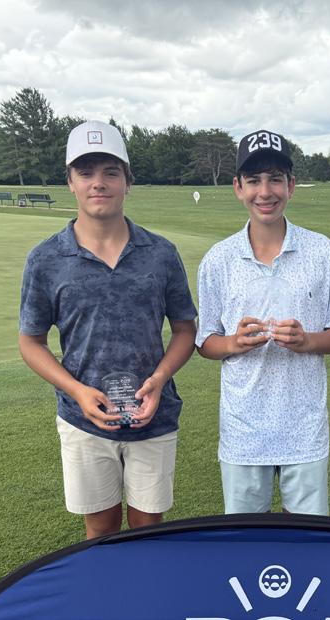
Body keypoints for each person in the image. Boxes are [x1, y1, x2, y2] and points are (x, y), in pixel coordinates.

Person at [18, 120, 197, 539]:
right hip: (83, 418)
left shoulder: (160, 253)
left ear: (127, 181)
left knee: (147, 529)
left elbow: (185, 331)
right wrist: (77, 391)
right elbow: (31, 342)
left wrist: (159, 379)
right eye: (86, 172)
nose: (98, 183)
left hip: (153, 415)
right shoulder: (46, 259)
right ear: (70, 182)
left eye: (110, 172)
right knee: (100, 530)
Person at [196, 129, 330, 515]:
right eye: (254, 180)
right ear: (238, 187)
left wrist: (307, 341)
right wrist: (233, 343)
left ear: (290, 185)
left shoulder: (322, 251)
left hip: (304, 427)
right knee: (246, 539)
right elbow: (206, 341)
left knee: (309, 540)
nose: (265, 192)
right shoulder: (218, 259)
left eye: (275, 179)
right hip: (243, 429)